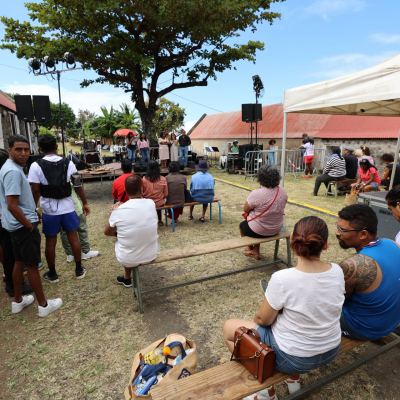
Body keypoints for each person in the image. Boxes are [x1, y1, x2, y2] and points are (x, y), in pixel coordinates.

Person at [224, 216, 345, 400]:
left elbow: (262, 320)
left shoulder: (283, 278)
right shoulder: (337, 271)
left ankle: (264, 389)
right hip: (331, 351)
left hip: (294, 358)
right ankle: (293, 379)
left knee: (229, 328)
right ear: (326, 245)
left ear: (292, 241)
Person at [0, 135, 62, 317]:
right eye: (18, 149)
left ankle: (17, 301)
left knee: (19, 262)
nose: (23, 153)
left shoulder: (10, 168)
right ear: (9, 150)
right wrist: (29, 225)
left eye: (26, 149)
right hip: (21, 226)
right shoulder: (12, 171)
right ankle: (44, 305)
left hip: (15, 225)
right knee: (32, 265)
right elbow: (12, 205)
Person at [28, 134, 89, 282]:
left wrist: (34, 208)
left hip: (49, 209)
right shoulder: (69, 163)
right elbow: (77, 184)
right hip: (68, 207)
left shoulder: (35, 165)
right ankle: (79, 269)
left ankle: (53, 273)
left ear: (40, 148)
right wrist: (84, 202)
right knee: (73, 238)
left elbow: (35, 190)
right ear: (56, 146)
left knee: (50, 242)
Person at [336, 204, 400, 341]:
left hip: (363, 328)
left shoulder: (353, 265)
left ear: (363, 234)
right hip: (392, 321)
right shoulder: (392, 243)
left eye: (342, 230)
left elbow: (336, 301)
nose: (337, 233)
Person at [104, 175, 158, 288]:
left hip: (128, 258)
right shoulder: (151, 204)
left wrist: (117, 211)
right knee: (133, 236)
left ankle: (127, 278)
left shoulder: (118, 211)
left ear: (125, 190)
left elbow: (107, 232)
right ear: (142, 189)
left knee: (122, 238)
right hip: (151, 253)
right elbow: (136, 207)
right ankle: (126, 277)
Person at [240, 165, 288, 260]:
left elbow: (245, 210)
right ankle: (256, 251)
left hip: (259, 229)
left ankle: (251, 248)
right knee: (257, 222)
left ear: (260, 177)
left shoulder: (256, 193)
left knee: (243, 225)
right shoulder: (282, 191)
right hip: (276, 228)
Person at [143, 161, 168, 226]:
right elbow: (166, 194)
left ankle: (149, 221)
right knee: (159, 202)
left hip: (147, 204)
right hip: (159, 203)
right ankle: (160, 220)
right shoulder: (163, 179)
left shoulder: (144, 179)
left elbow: (142, 193)